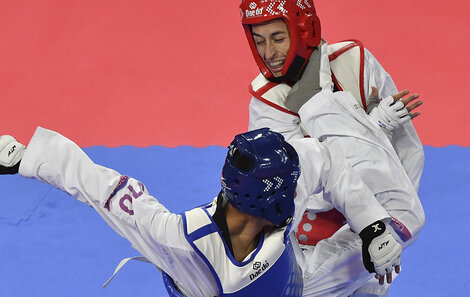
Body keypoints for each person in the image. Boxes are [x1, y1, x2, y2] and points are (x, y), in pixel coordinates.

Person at [0, 127, 401, 297]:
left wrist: (372, 225)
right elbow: (101, 186)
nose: (298, 188)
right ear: (269, 199)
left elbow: (325, 158)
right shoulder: (182, 241)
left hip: (299, 286)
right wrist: (26, 158)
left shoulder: (278, 188)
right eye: (290, 186)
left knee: (391, 239)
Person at [239, 0, 425, 296]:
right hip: (309, 247)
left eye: (277, 38)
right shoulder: (267, 99)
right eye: (258, 41)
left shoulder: (355, 61)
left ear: (304, 29)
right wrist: (374, 127)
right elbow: (312, 188)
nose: (268, 53)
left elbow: (407, 152)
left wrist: (392, 223)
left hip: (376, 233)